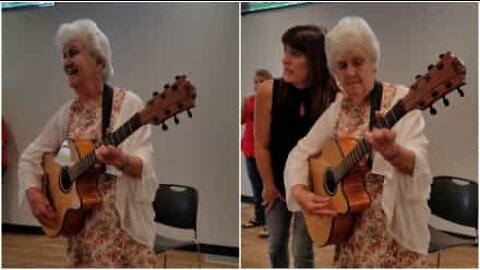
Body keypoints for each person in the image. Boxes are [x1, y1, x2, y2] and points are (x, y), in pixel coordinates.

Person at [284, 16, 432, 267]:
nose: (350, 72)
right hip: (349, 233)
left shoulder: (401, 100)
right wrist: (299, 191)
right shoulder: (338, 109)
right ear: (334, 72)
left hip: (392, 237)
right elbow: (300, 151)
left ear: (373, 64)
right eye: (342, 65)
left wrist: (393, 152)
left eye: (358, 62)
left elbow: (417, 164)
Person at [18, 19, 158, 267]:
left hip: (123, 238)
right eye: (63, 56)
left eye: (73, 53)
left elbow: (144, 165)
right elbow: (32, 156)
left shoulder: (130, 105)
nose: (66, 62)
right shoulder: (67, 114)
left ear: (100, 62)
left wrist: (123, 160)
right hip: (82, 236)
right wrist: (34, 193)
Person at [255, 25, 338, 268]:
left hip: (310, 186)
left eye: (295, 54)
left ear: (316, 60)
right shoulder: (268, 91)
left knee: (302, 250)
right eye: (285, 51)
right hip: (277, 186)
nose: (285, 59)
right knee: (275, 245)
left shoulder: (333, 94)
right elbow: (261, 145)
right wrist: (268, 185)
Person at [241, 69, 273, 238]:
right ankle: (259, 218)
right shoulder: (250, 101)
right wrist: (243, 104)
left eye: (261, 81)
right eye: (255, 81)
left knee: (267, 188)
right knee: (256, 187)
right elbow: (240, 120)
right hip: (248, 148)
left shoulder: (273, 101)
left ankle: (270, 224)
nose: (257, 84)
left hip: (265, 151)